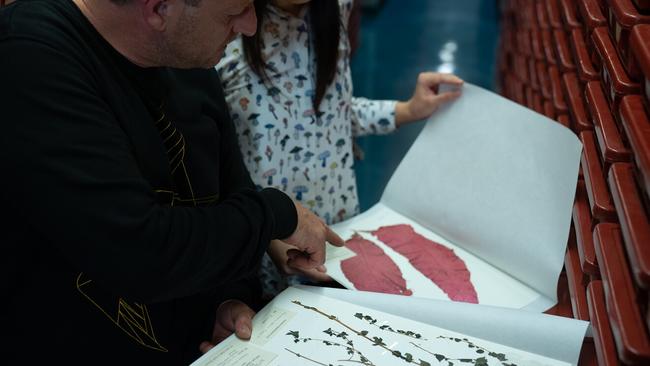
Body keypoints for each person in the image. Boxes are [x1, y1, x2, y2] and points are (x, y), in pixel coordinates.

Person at [0, 0, 343, 364]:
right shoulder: (31, 58)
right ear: (158, 9)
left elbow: (230, 195)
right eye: (234, 12)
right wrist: (277, 213)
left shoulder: (188, 58)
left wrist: (227, 300)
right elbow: (138, 251)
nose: (250, 26)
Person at [216, 0, 463, 296]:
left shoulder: (334, 9)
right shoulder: (227, 24)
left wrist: (408, 110)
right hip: (270, 243)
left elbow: (334, 114)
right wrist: (268, 238)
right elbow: (215, 161)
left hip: (338, 233)